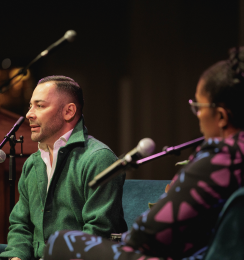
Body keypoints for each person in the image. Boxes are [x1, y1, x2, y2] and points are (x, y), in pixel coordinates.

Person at [43, 46, 244, 260]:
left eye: (199, 107)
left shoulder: (217, 160)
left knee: (61, 242)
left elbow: (146, 237)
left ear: (221, 116)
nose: (197, 115)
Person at [0, 76, 127, 260]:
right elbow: (21, 225)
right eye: (30, 106)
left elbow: (99, 231)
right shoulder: (33, 162)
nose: (29, 114)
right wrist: (16, 257)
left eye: (40, 106)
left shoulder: (99, 158)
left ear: (69, 111)